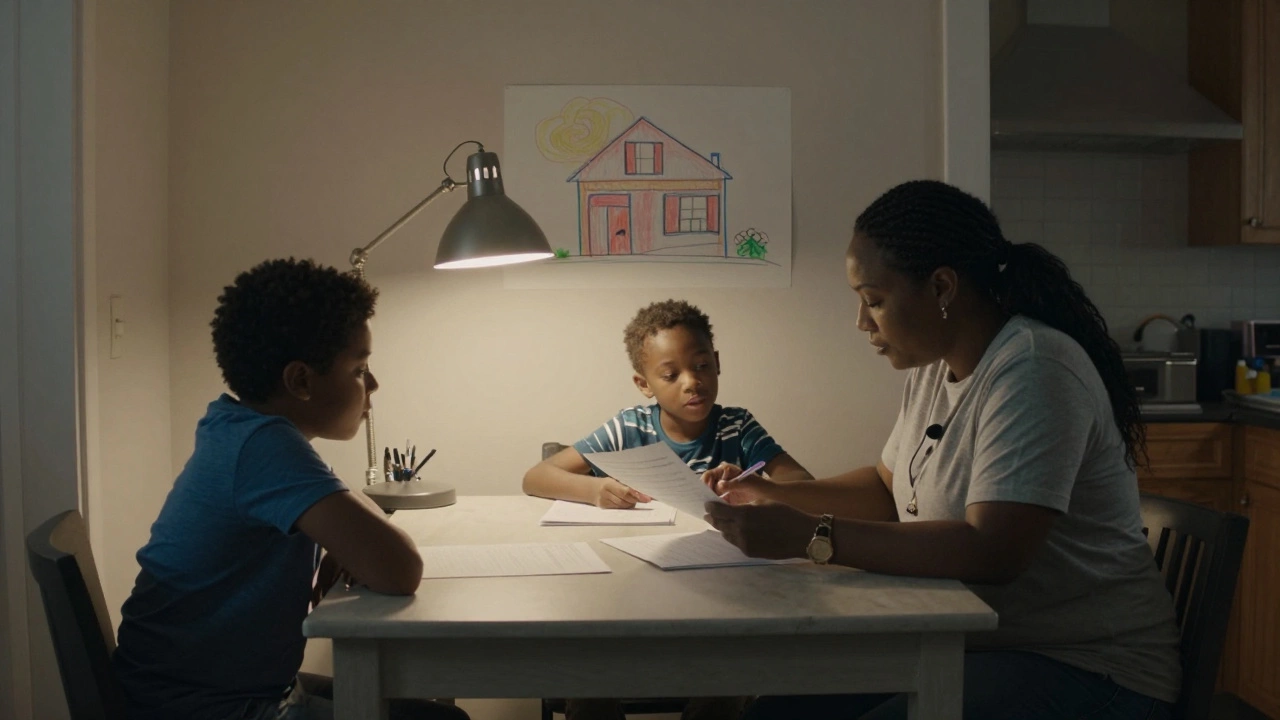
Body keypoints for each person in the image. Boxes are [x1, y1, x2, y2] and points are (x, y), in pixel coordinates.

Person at [701, 180, 1182, 720]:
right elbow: (887, 489)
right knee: (775, 716)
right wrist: (774, 494)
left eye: (874, 301)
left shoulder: (1033, 369)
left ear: (942, 287)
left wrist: (812, 536)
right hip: (971, 645)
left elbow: (993, 551)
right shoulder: (936, 370)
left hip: (1088, 668)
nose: (862, 322)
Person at [112, 258, 468, 720]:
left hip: (196, 689)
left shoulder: (235, 426)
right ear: (301, 380)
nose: (374, 384)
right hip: (207, 706)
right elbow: (401, 570)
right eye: (360, 368)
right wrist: (354, 537)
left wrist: (343, 535)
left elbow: (356, 529)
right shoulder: (264, 445)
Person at [524, 299, 813, 720]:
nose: (692, 382)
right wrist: (596, 488)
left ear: (717, 363)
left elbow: (804, 486)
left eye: (702, 366)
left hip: (720, 601)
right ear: (644, 384)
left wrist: (754, 488)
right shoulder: (630, 427)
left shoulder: (737, 426)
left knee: (724, 691)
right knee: (589, 683)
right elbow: (537, 476)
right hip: (630, 594)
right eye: (671, 374)